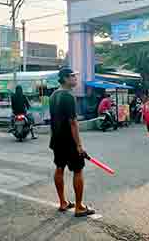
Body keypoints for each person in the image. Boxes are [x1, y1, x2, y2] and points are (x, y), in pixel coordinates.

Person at [50, 68, 95, 218]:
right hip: (69, 141)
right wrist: (79, 145)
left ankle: (63, 202)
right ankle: (79, 207)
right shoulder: (68, 97)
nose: (75, 79)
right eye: (72, 76)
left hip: (56, 139)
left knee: (59, 168)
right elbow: (73, 122)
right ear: (65, 79)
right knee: (78, 170)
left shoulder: (53, 95)